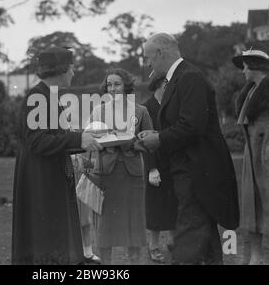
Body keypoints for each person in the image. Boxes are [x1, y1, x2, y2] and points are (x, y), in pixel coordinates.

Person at [139, 33, 239, 265]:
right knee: (203, 232)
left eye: (148, 57)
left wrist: (160, 139)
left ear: (161, 53)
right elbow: (183, 123)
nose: (148, 64)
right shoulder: (179, 78)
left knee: (190, 232)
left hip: (197, 170)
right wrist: (157, 135)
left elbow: (193, 126)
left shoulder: (189, 77)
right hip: (191, 168)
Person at [12, 46, 103, 265]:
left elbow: (56, 137)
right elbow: (36, 141)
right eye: (71, 68)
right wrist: (77, 140)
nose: (73, 73)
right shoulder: (37, 97)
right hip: (41, 180)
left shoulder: (47, 96)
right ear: (61, 70)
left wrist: (83, 137)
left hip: (48, 176)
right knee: (47, 235)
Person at [90, 68, 155, 265]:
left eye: (116, 84)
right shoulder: (98, 111)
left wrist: (134, 143)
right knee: (104, 229)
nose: (112, 88)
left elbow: (151, 142)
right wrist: (102, 141)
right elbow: (89, 140)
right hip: (105, 174)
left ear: (126, 86)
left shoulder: (141, 111)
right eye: (109, 84)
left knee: (134, 228)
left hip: (132, 173)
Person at [233, 49, 269, 265]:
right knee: (252, 206)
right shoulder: (250, 91)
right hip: (251, 153)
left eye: (244, 65)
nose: (242, 70)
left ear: (253, 65)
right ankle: (256, 257)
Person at [142, 76, 178, 263]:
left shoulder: (171, 106)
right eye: (168, 85)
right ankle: (153, 246)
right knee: (155, 207)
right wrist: (151, 169)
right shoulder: (147, 107)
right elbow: (144, 140)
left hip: (172, 163)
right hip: (155, 163)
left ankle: (174, 242)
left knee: (174, 202)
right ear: (161, 85)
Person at [72, 153, 100, 264]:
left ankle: (88, 253)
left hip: (82, 191)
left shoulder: (79, 158)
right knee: (72, 224)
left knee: (86, 222)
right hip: (68, 192)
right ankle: (74, 254)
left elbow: (91, 163)